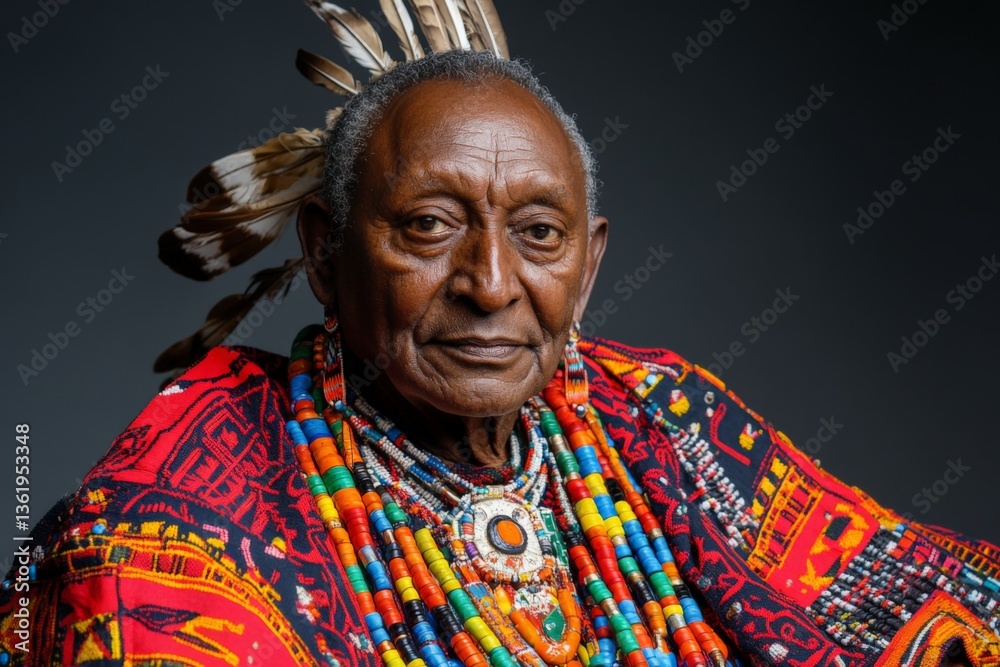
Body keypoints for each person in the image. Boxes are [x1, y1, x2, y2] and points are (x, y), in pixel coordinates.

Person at [1, 3, 996, 666]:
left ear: (590, 261)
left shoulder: (654, 417)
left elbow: (928, 600)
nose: (489, 283)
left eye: (539, 234)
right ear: (323, 252)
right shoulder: (183, 505)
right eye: (428, 225)